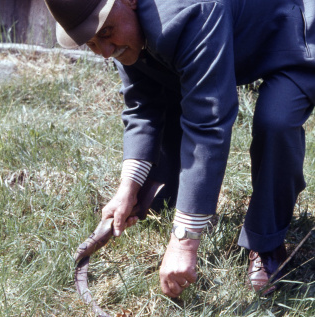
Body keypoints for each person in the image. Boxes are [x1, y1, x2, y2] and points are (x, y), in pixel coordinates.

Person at [45, 0, 315, 298]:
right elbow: (142, 107)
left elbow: (208, 123)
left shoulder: (191, 13)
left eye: (107, 32)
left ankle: (266, 241)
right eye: (92, 44)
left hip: (291, 32)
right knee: (166, 83)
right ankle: (169, 193)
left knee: (275, 122)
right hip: (230, 41)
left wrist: (184, 242)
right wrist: (127, 187)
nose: (106, 52)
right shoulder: (124, 29)